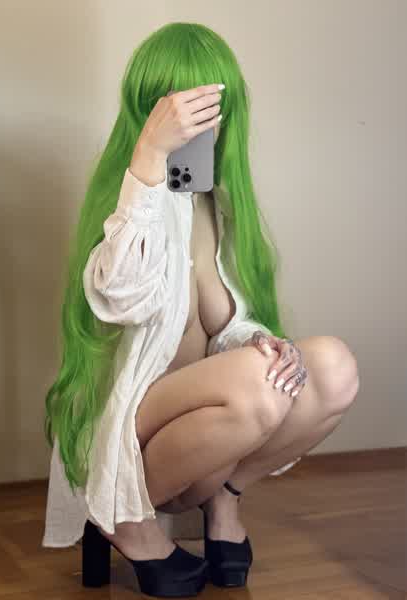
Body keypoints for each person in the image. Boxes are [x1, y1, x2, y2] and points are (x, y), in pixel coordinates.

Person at [42, 22, 360, 596]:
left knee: (332, 367)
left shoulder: (215, 202)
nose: (195, 126)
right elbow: (122, 297)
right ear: (149, 113)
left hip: (211, 428)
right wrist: (147, 161)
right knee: (260, 386)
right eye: (179, 110)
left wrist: (258, 340)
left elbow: (223, 324)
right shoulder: (129, 201)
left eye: (207, 108)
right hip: (138, 435)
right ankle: (124, 522)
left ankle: (224, 502)